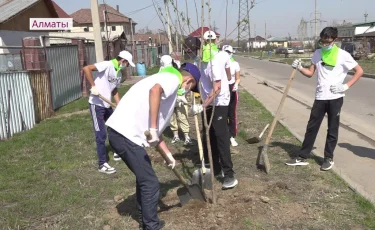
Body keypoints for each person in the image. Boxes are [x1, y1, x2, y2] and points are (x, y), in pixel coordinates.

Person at [105, 63, 200, 230]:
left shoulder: (164, 81)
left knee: (144, 179)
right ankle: (151, 226)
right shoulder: (171, 78)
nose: (188, 91)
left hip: (121, 133)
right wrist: (154, 129)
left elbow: (156, 132)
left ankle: (146, 221)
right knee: (150, 183)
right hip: (125, 134)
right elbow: (155, 91)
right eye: (191, 88)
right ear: (189, 80)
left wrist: (168, 155)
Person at [285, 27, 363, 171]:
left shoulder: (343, 55)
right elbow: (310, 73)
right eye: (323, 40)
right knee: (312, 127)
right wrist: (300, 67)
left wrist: (345, 87)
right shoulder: (317, 53)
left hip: (335, 97)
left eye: (328, 41)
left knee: (332, 128)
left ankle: (328, 158)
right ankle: (302, 156)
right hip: (320, 97)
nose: (325, 43)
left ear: (335, 40)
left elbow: (359, 71)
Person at [83, 50, 135, 174]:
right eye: (127, 64)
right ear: (123, 60)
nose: (127, 67)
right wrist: (93, 86)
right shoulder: (107, 65)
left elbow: (114, 89)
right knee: (100, 134)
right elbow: (86, 68)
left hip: (107, 105)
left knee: (116, 127)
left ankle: (117, 151)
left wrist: (119, 104)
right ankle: (102, 164)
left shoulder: (118, 74)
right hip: (97, 105)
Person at [194, 47, 238, 189]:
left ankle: (229, 174)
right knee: (209, 134)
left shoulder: (214, 64)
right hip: (208, 101)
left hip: (219, 101)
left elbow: (217, 88)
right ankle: (216, 167)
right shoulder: (199, 62)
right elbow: (196, 80)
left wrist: (203, 105)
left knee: (220, 136)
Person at [159, 56, 194, 145]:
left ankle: (186, 137)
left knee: (180, 116)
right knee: (173, 117)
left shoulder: (172, 72)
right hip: (171, 98)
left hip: (177, 98)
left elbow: (182, 84)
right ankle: (177, 136)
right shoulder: (164, 72)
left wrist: (181, 93)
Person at [223, 45, 241, 147]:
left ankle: (232, 136)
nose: (227, 54)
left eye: (229, 52)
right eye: (225, 52)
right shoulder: (219, 63)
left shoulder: (235, 64)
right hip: (222, 89)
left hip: (232, 88)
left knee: (232, 114)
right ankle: (224, 134)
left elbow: (238, 78)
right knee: (222, 113)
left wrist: (237, 84)